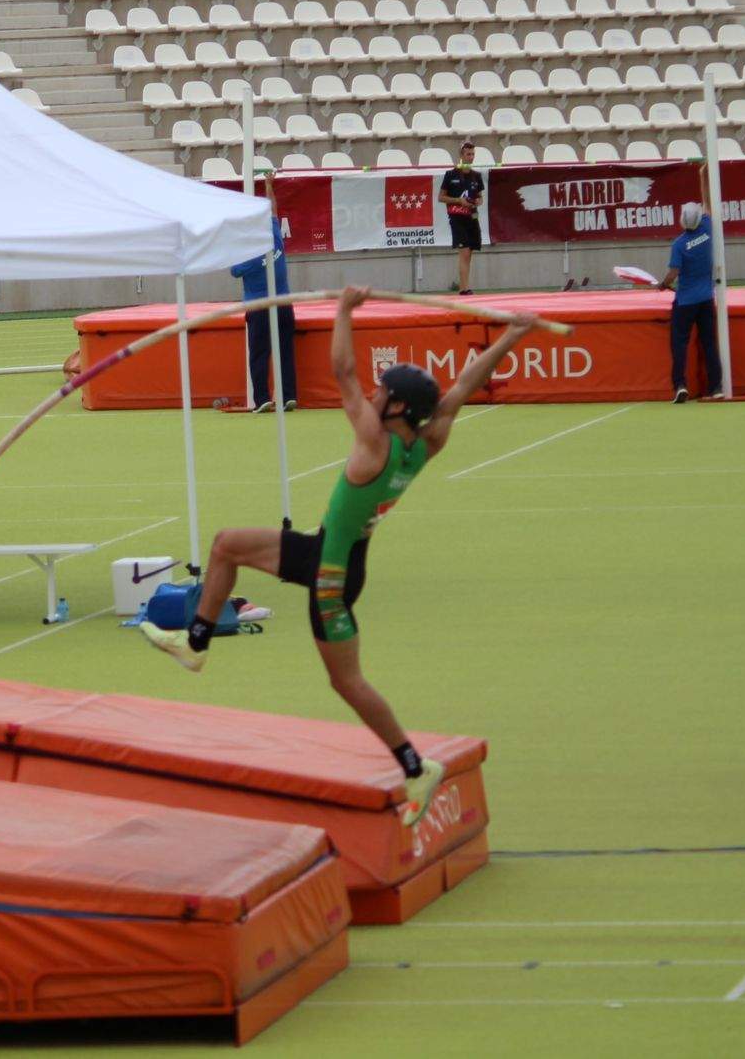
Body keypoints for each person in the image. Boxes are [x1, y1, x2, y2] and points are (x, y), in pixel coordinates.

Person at [142, 286, 541, 828]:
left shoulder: (375, 442)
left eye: (383, 392)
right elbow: (463, 388)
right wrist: (512, 335)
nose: (372, 396)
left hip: (330, 575)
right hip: (331, 553)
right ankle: (195, 644)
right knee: (225, 545)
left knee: (347, 683)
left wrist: (344, 312)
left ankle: (413, 765)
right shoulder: (425, 443)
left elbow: (343, 373)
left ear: (396, 406)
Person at [231, 214, 297, 412]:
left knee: (259, 354)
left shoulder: (248, 257)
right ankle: (289, 396)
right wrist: (269, 186)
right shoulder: (276, 240)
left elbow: (234, 271)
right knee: (285, 352)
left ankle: (262, 399)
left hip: (259, 308)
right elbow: (274, 214)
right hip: (283, 304)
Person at [660, 201, 723, 403]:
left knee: (679, 344)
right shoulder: (707, 228)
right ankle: (716, 387)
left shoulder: (679, 244)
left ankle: (680, 385)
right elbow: (708, 204)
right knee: (709, 344)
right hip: (705, 299)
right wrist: (703, 176)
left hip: (685, 301)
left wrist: (663, 283)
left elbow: (674, 272)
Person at [438, 140, 485, 297]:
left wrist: (477, 201)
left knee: (470, 252)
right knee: (464, 251)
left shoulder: (476, 176)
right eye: (468, 154)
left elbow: (480, 197)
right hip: (457, 217)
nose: (471, 157)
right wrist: (459, 201)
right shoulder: (451, 175)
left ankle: (465, 286)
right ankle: (463, 289)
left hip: (471, 217)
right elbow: (441, 197)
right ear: (461, 155)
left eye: (472, 154)